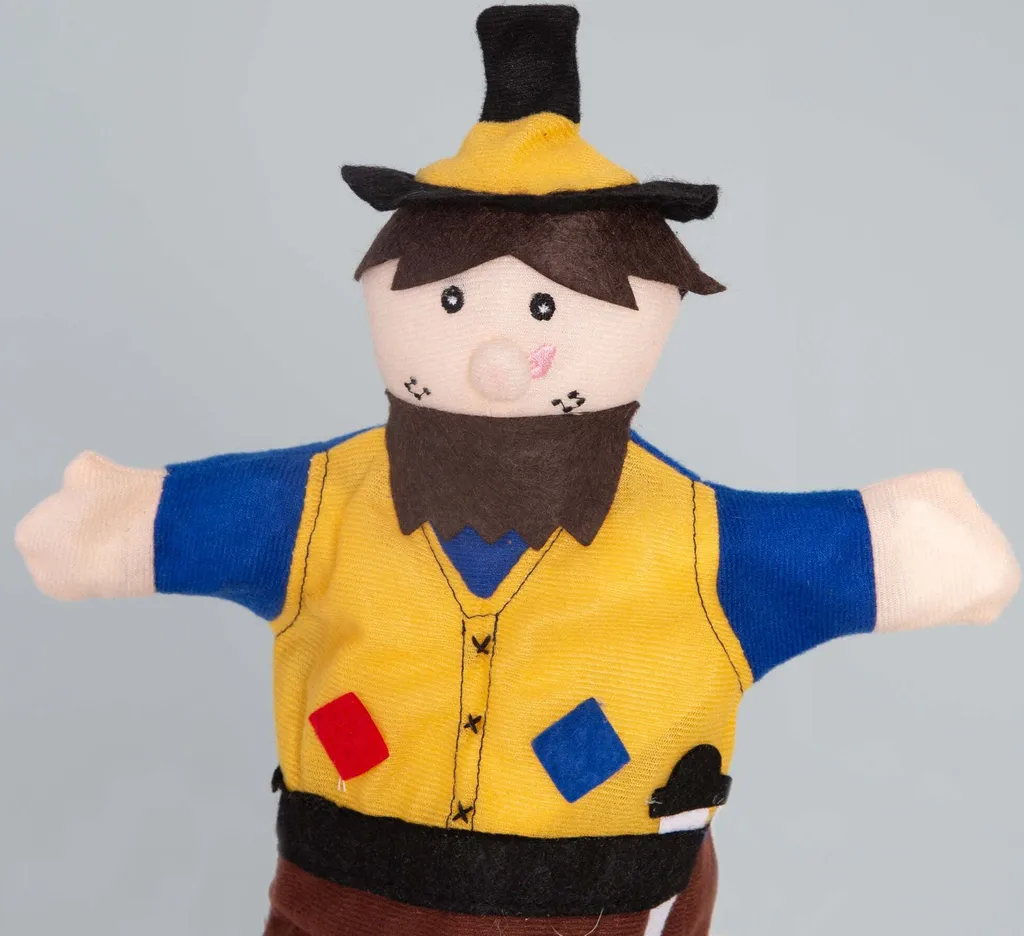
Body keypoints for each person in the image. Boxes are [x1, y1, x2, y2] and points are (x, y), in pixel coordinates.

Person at [14, 6, 1019, 935]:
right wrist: (114, 518)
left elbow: (852, 554)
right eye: (451, 302)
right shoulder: (315, 508)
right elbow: (167, 523)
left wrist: (909, 539)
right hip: (340, 897)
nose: (496, 360)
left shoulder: (702, 544)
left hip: (588, 906)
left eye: (545, 308)